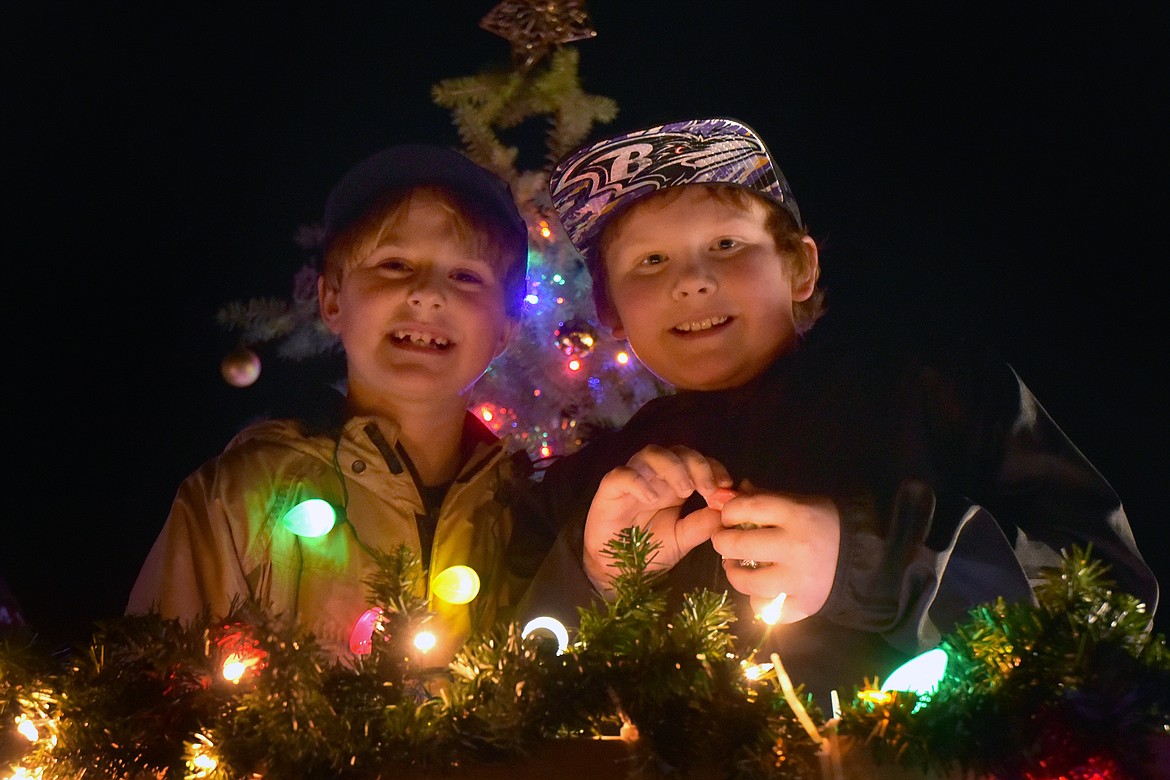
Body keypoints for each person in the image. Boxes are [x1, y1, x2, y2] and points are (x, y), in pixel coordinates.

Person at [515, 117, 1159, 709]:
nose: (691, 280)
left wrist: (868, 562)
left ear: (800, 268)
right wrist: (599, 577)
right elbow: (503, 692)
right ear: (611, 314)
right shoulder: (599, 481)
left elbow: (1108, 602)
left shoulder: (934, 391)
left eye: (726, 243)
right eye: (650, 261)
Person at [128, 144, 533, 667]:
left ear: (504, 331)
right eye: (394, 264)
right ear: (333, 301)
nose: (428, 295)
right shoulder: (240, 498)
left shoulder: (523, 515)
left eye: (466, 276)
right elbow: (144, 703)